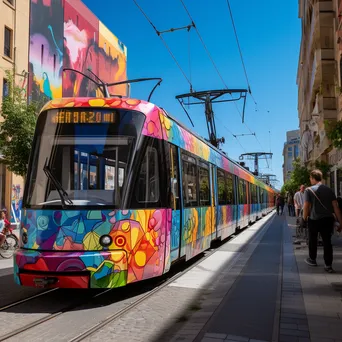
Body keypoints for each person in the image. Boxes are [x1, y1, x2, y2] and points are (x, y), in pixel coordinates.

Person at [303, 170, 342, 273]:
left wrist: (304, 218)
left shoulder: (308, 190)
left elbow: (306, 206)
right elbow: (336, 207)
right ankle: (328, 265)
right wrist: (340, 222)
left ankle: (312, 259)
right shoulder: (329, 190)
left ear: (312, 178)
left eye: (310, 178)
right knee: (327, 242)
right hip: (328, 220)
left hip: (314, 219)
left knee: (313, 240)